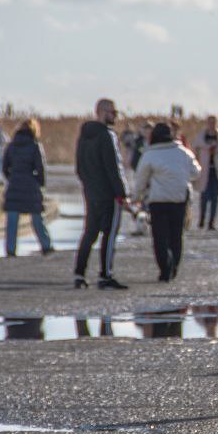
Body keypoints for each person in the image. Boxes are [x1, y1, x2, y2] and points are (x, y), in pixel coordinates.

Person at [73, 97, 130, 290]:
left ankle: (79, 274)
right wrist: (122, 194)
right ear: (102, 112)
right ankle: (105, 275)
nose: (115, 116)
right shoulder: (107, 136)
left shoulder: (84, 136)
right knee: (109, 234)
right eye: (113, 112)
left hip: (91, 192)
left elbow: (79, 167)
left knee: (89, 233)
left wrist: (88, 185)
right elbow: (113, 167)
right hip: (109, 195)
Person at [134, 122, 200, 282]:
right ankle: (174, 267)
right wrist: (182, 177)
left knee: (159, 237)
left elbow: (140, 179)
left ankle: (165, 269)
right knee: (176, 235)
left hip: (158, 201)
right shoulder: (183, 152)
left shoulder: (150, 154)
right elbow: (196, 171)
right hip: (179, 199)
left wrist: (137, 197)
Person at [1, 118, 53, 257]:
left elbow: (4, 167)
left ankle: (10, 249)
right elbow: (40, 168)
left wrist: (11, 178)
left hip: (14, 184)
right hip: (31, 185)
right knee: (37, 218)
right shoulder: (35, 146)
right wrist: (40, 184)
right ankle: (46, 246)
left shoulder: (11, 146)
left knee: (12, 220)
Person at [194, 115, 218, 229]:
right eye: (210, 122)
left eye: (214, 122)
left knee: (215, 197)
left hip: (216, 171)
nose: (211, 124)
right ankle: (201, 220)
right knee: (204, 196)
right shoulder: (201, 136)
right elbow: (195, 149)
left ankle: (211, 222)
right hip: (204, 169)